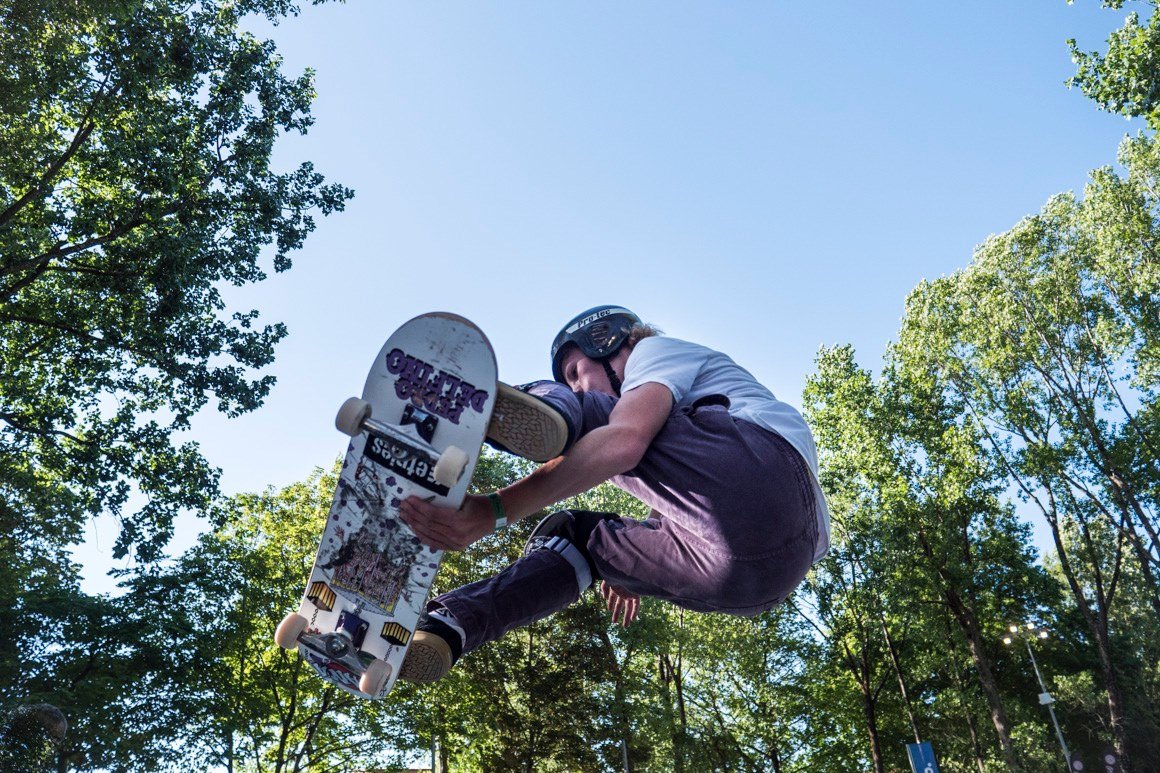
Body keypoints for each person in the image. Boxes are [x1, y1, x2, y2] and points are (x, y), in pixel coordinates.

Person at [397, 305, 830, 682]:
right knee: (579, 540)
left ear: (606, 344)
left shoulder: (652, 352)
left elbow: (624, 442)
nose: (580, 384)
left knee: (599, 420)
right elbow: (707, 509)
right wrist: (633, 563)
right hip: (761, 580)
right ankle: (450, 627)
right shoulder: (683, 439)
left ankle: (521, 405)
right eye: (570, 382)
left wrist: (492, 512)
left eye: (574, 373)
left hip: (766, 469)